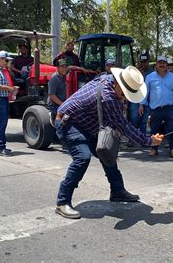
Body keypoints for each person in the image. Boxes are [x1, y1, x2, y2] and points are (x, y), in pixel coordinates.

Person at [54, 66, 164, 219]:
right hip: (69, 123)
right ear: (118, 84)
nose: (125, 98)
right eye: (125, 94)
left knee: (108, 154)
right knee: (82, 158)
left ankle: (118, 191)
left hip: (87, 124)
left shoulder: (108, 80)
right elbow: (123, 126)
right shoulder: (109, 97)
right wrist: (149, 141)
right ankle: (62, 202)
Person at [140, 56, 173, 158]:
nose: (162, 64)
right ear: (156, 65)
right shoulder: (150, 77)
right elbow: (145, 92)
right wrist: (142, 104)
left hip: (169, 108)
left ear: (167, 65)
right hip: (155, 108)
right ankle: (154, 149)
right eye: (160, 63)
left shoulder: (172, 77)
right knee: (154, 130)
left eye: (164, 63)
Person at [127, 53, 154, 142]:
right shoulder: (134, 71)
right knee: (134, 119)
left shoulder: (152, 73)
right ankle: (132, 139)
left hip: (148, 99)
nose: (143, 64)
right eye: (141, 62)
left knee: (144, 120)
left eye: (145, 62)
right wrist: (136, 74)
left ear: (148, 62)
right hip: (135, 98)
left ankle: (142, 140)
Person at [48, 59, 68, 123]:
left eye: (65, 67)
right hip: (55, 104)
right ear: (57, 68)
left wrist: (83, 69)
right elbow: (52, 95)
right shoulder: (54, 79)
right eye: (62, 67)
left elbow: (71, 67)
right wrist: (63, 104)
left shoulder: (64, 76)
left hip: (63, 102)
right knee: (60, 123)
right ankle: (53, 116)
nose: (64, 69)